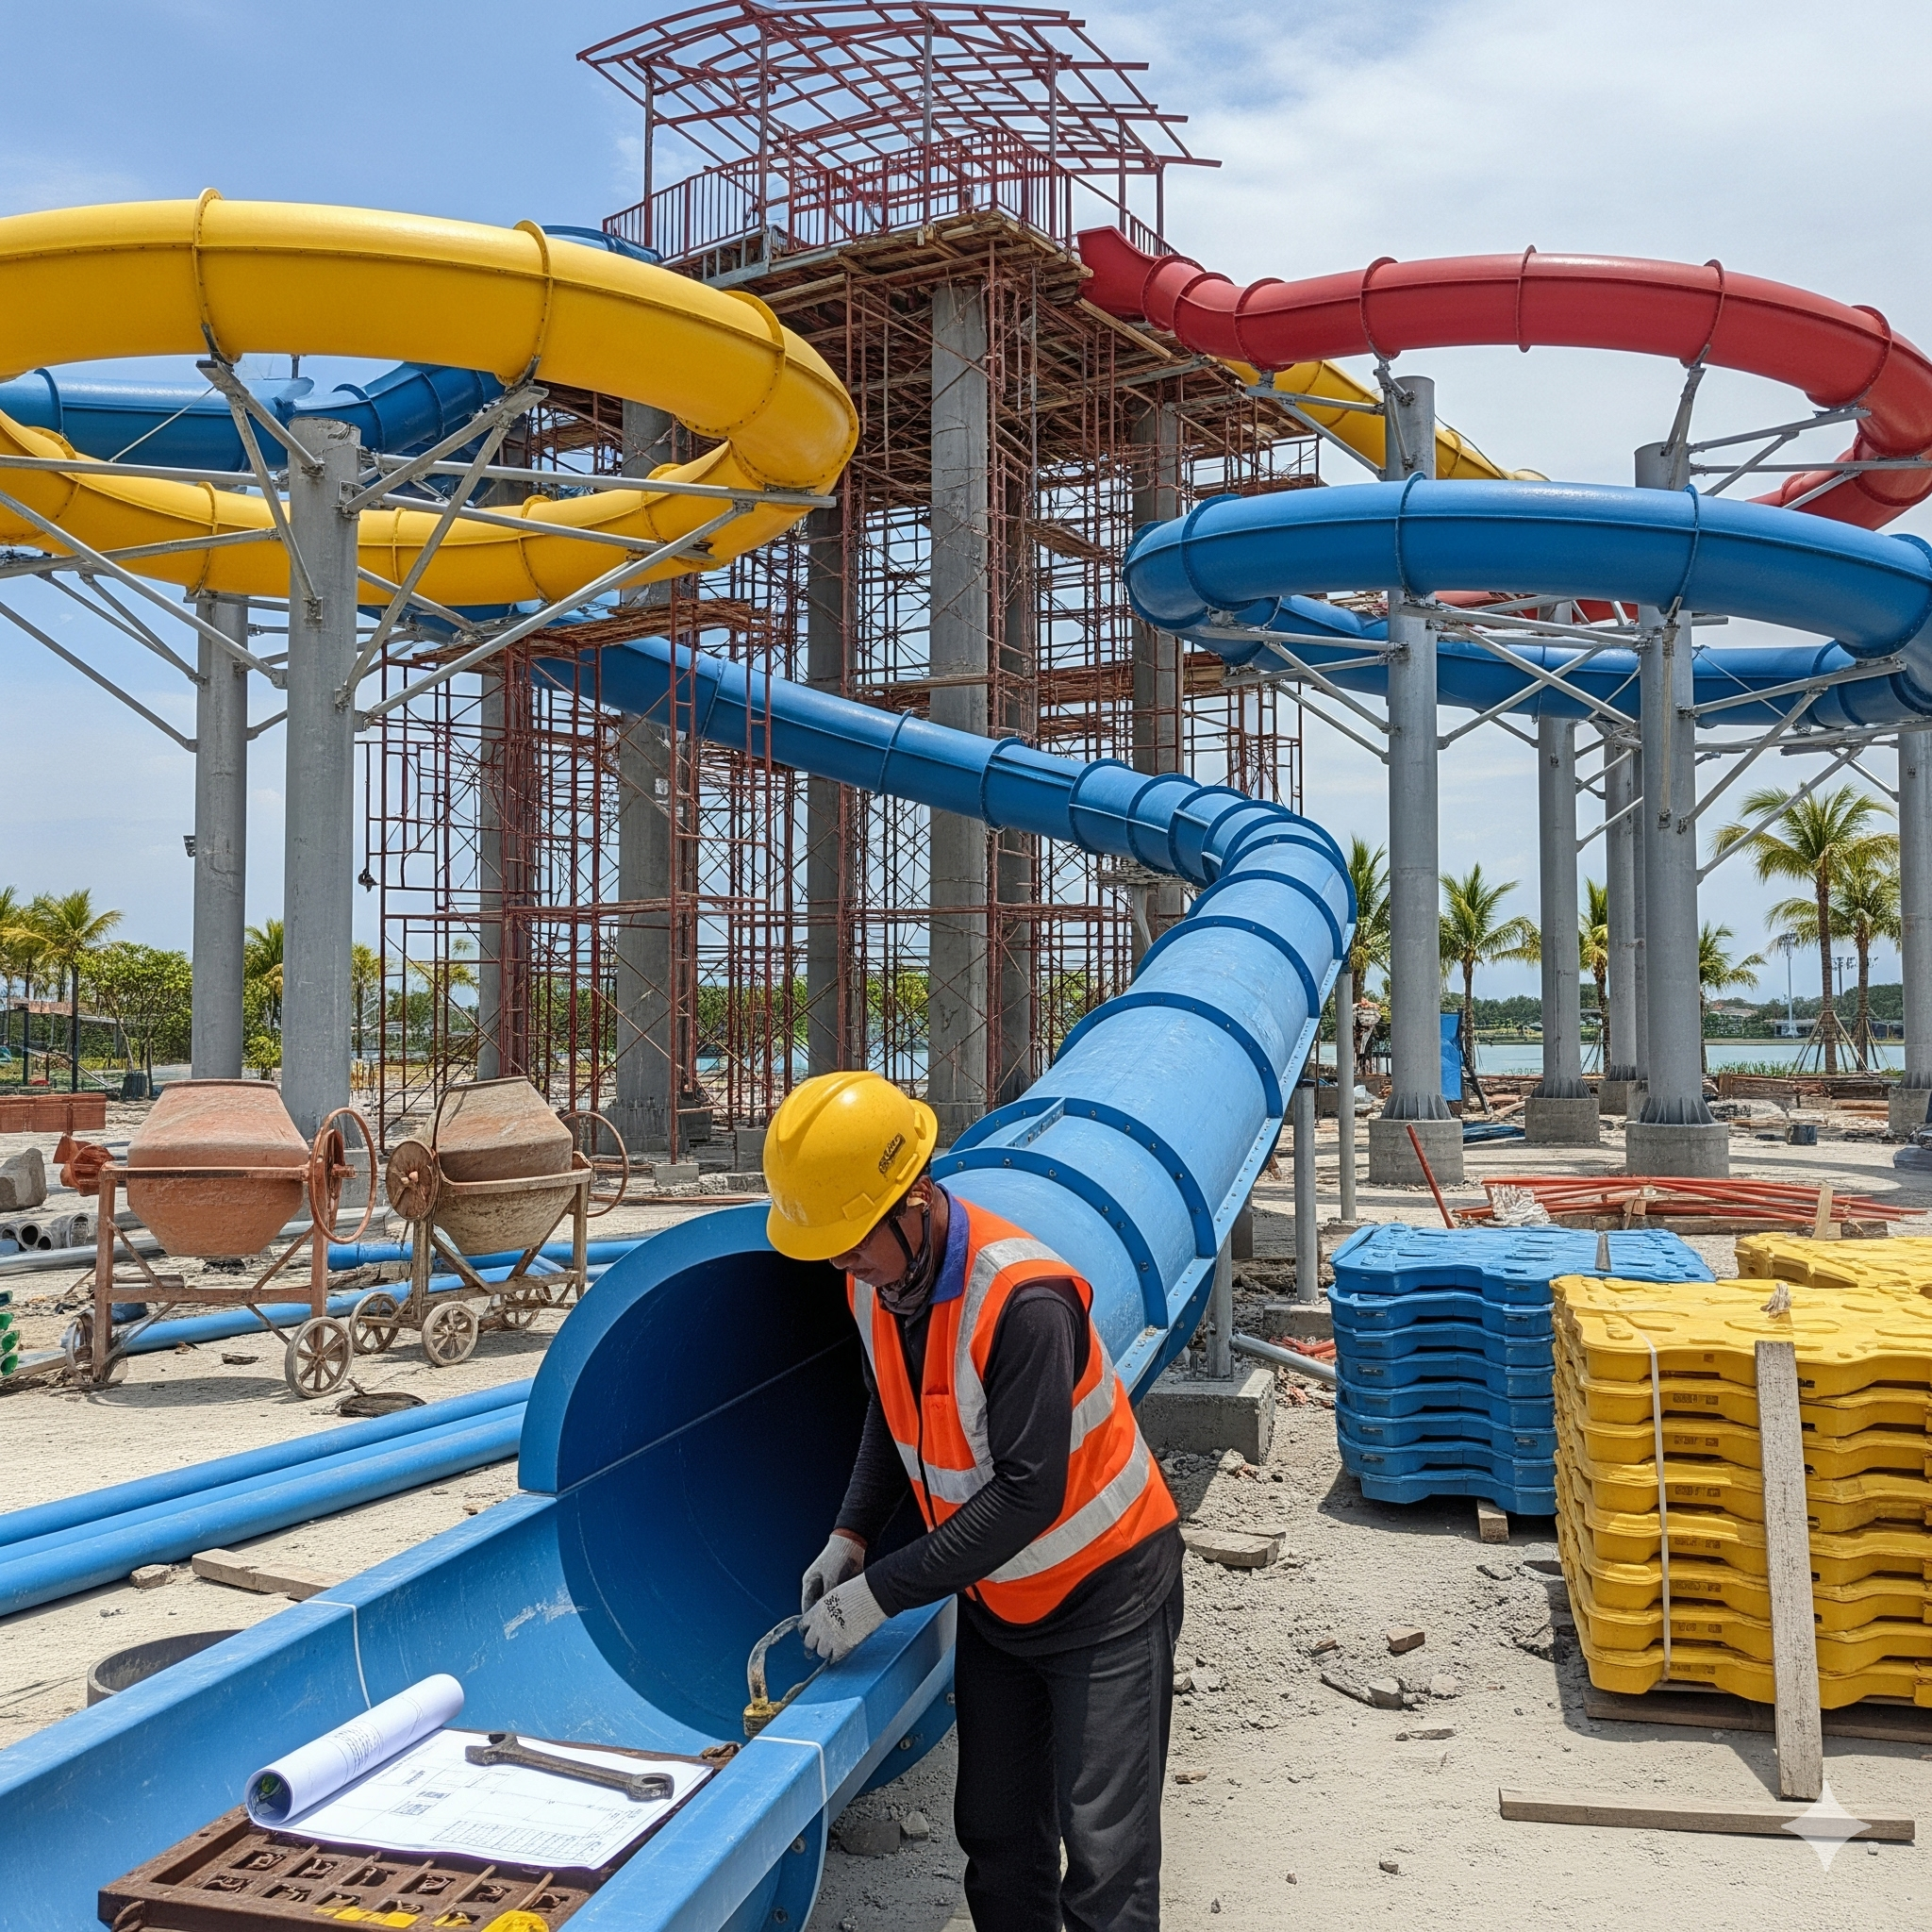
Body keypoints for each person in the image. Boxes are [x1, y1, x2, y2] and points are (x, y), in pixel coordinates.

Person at [763, 1070, 1184, 1932]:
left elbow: (1029, 1496)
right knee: (996, 1842)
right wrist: (851, 1531)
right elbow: (895, 1403)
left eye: (853, 1240)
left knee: (1105, 1862)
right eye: (831, 1247)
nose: (845, 1263)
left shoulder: (1023, 1300)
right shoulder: (874, 1282)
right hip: (1001, 1601)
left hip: (1107, 1595)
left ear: (915, 1197)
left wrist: (879, 1591)